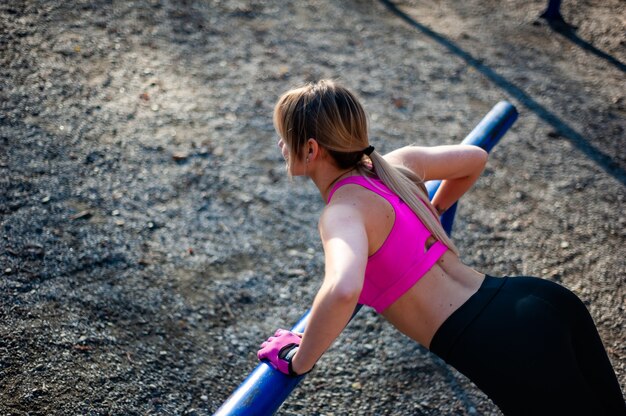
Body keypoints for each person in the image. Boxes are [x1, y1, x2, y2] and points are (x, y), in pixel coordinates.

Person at [257, 80, 625, 415]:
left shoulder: (341, 213)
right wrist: (432, 211)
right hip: (539, 299)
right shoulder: (398, 166)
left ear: (310, 149)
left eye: (283, 137)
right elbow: (475, 159)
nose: (279, 145)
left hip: (506, 345)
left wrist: (298, 358)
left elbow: (342, 289)